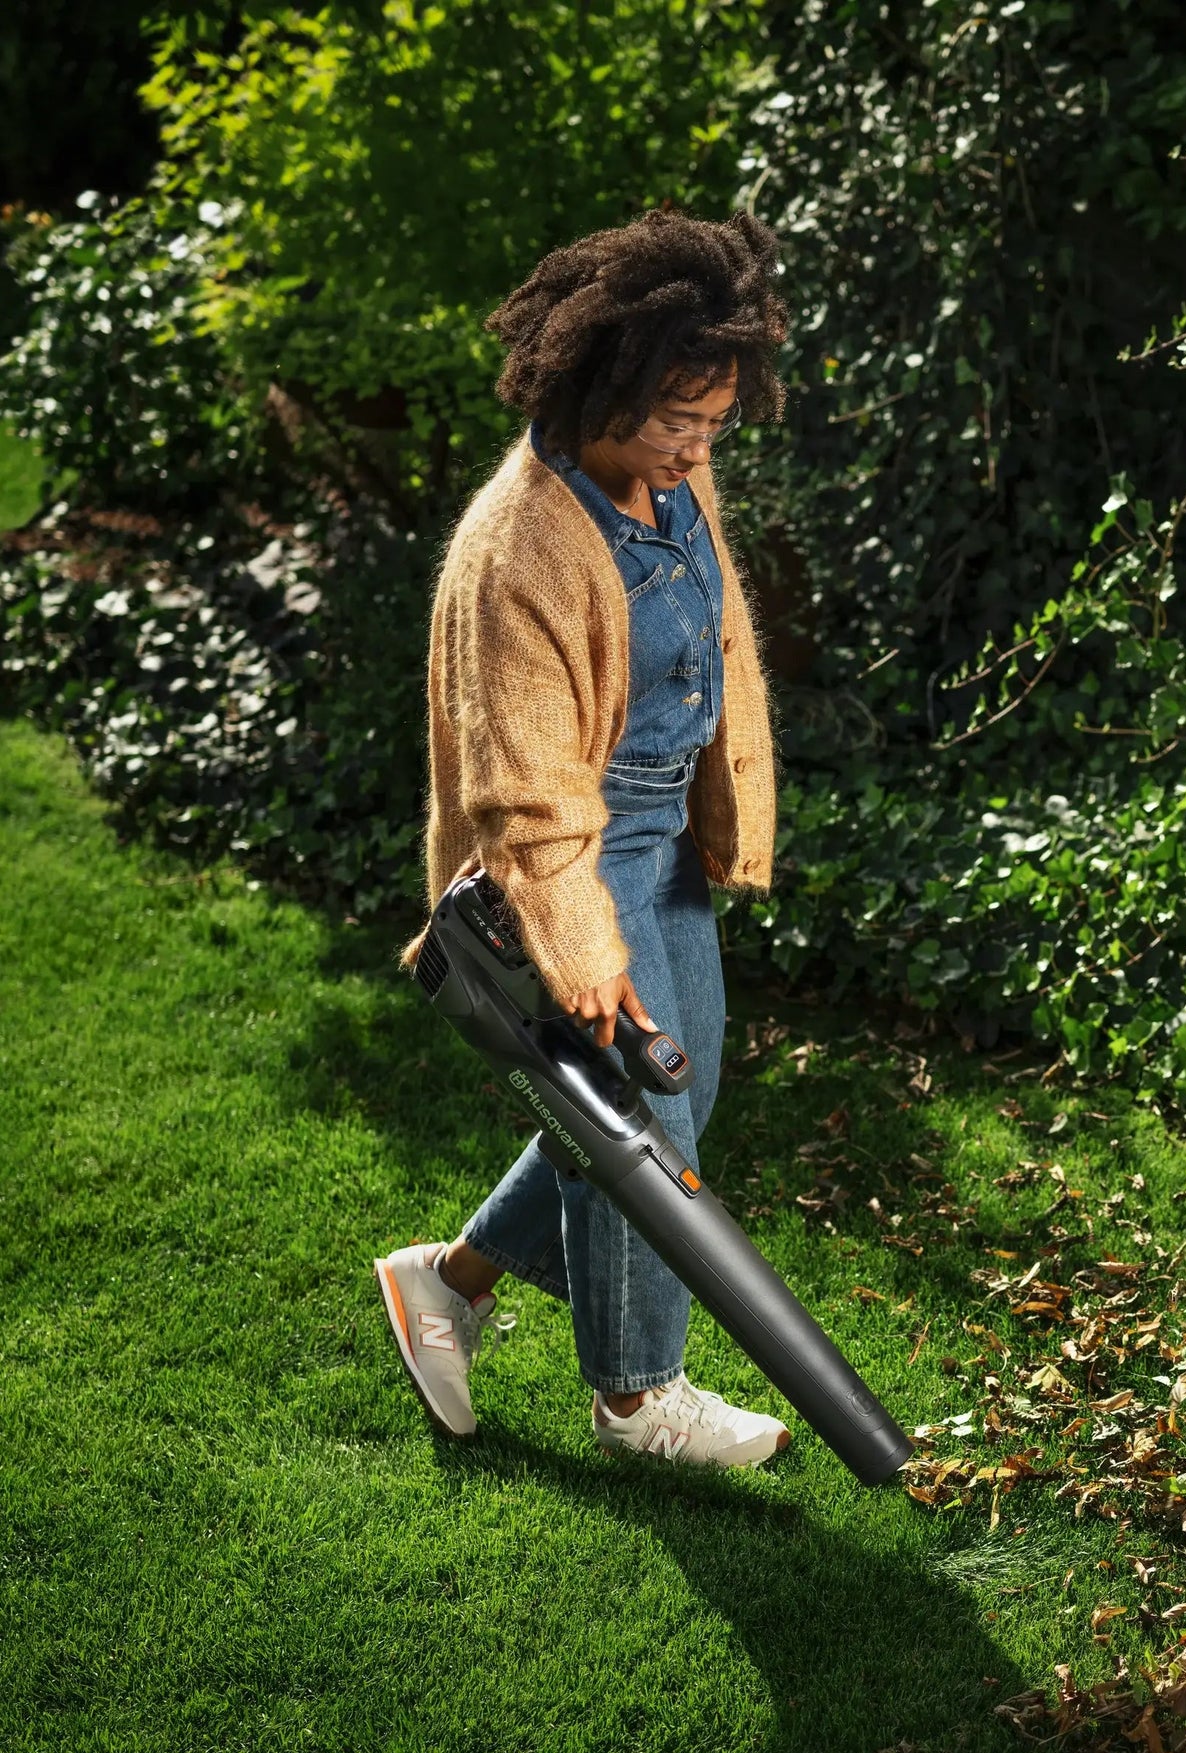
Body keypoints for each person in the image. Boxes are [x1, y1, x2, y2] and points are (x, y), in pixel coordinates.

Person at [375, 208, 792, 1467]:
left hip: (661, 837)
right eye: (679, 419)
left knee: (676, 1102)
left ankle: (446, 1279)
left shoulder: (669, 477)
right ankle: (634, 1396)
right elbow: (524, 788)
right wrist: (576, 943)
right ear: (603, 383)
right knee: (641, 1126)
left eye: (714, 422)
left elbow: (707, 642)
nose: (697, 447)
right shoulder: (521, 546)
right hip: (574, 851)